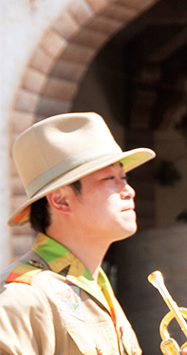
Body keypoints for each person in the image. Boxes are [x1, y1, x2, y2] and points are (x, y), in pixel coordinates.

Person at [0, 112, 155, 354]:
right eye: (109, 178)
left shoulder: (99, 288)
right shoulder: (23, 296)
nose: (129, 190)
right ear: (61, 200)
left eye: (124, 177)